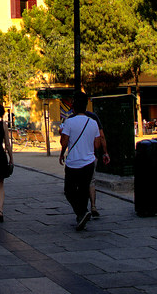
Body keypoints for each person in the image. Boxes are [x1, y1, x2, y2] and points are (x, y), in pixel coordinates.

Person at [59, 92, 110, 230]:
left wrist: (62, 149)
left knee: (69, 190)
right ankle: (83, 213)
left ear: (73, 108)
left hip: (73, 162)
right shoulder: (93, 122)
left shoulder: (69, 122)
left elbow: (64, 142)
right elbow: (97, 144)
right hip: (88, 162)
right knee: (83, 190)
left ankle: (81, 213)